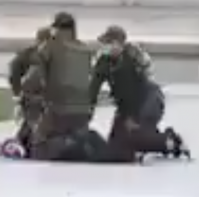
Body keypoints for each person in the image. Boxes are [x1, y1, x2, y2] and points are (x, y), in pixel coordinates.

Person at [90, 25, 189, 162]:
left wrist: (131, 118)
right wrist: (86, 109)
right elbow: (93, 88)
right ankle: (150, 137)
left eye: (109, 43)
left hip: (148, 101)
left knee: (135, 134)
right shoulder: (104, 62)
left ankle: (169, 141)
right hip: (126, 106)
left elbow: (135, 91)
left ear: (119, 44)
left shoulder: (130, 60)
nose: (105, 47)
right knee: (116, 145)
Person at [27, 12, 96, 161]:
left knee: (38, 145)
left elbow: (35, 77)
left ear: (56, 29)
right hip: (84, 111)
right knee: (74, 132)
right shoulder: (85, 50)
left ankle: (65, 145)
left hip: (59, 108)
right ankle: (76, 144)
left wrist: (28, 94)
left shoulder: (51, 46)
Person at [7, 26, 53, 152]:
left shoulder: (32, 54)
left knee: (36, 119)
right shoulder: (30, 55)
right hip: (35, 96)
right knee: (34, 118)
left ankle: (24, 139)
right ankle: (25, 140)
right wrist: (17, 94)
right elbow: (14, 70)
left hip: (43, 96)